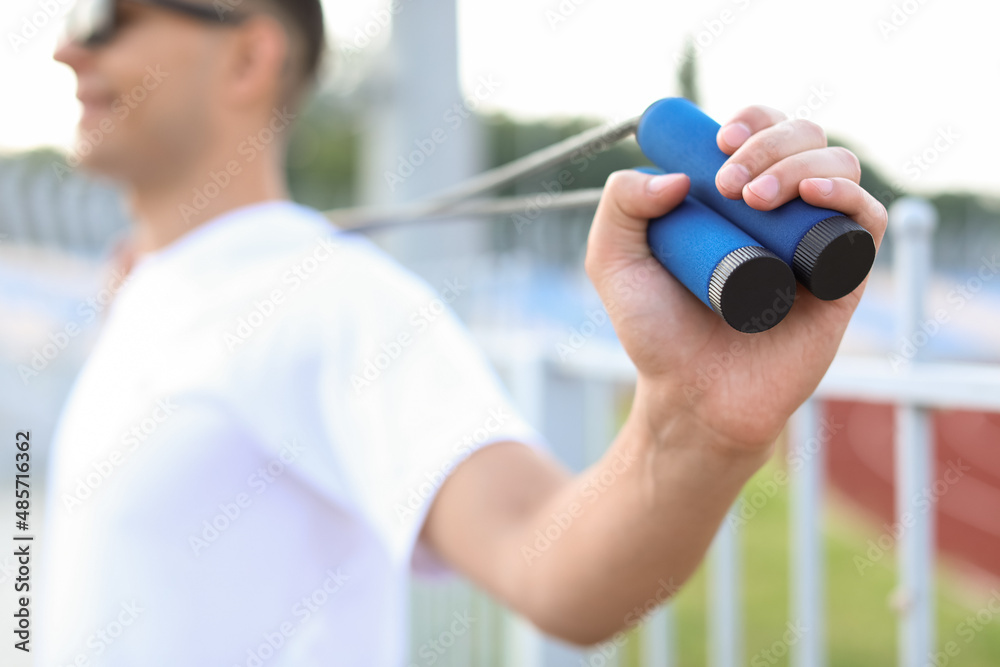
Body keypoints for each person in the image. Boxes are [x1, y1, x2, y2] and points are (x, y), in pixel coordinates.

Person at [41, 0, 887, 665]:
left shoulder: (327, 301)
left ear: (249, 56)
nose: (67, 49)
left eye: (106, 16)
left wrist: (694, 426)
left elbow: (547, 558)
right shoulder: (162, 285)